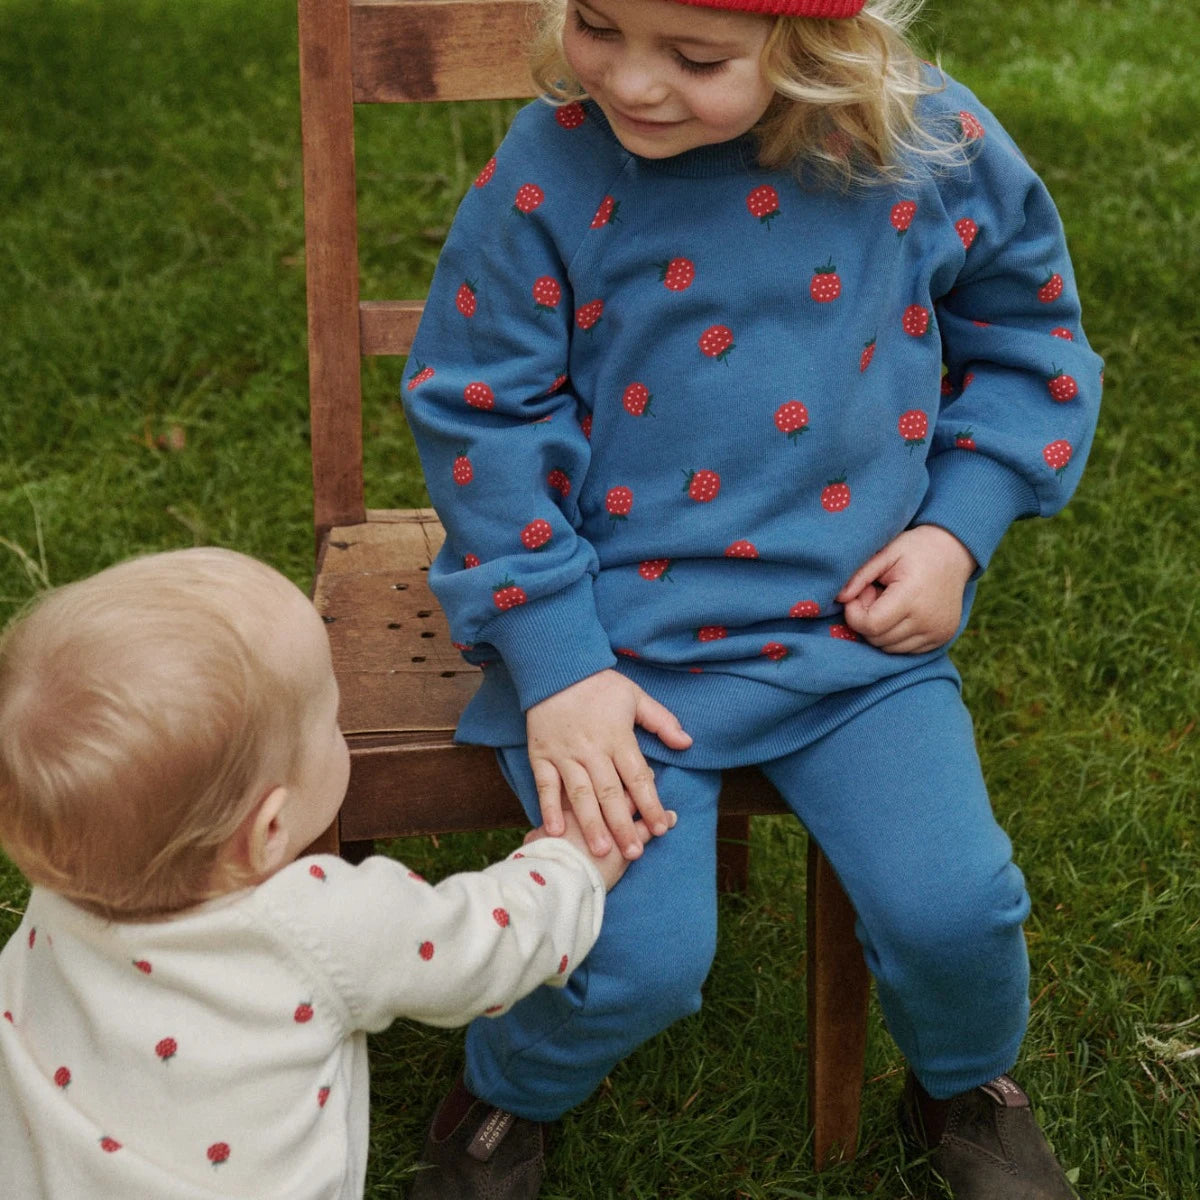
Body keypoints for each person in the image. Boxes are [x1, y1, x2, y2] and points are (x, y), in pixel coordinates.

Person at [399, 0, 1102, 1195]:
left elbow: (1032, 342)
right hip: (615, 654)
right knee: (634, 961)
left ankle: (966, 1087)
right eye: (598, 23)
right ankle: (509, 1090)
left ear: (818, 44)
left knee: (956, 910)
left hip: (851, 643)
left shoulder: (925, 141)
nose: (632, 82)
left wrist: (956, 531)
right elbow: (481, 412)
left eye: (695, 56)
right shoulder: (551, 167)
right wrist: (558, 662)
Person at [0, 547, 671, 1199]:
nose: (340, 724)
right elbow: (487, 944)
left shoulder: (66, 884)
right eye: (329, 720)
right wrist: (571, 865)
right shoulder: (318, 926)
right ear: (269, 831)